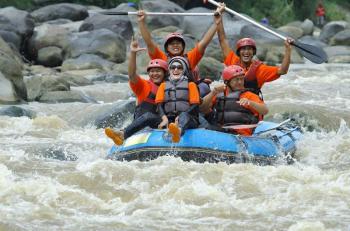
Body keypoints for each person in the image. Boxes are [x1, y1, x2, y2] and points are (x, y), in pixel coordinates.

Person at [217, 7, 293, 98]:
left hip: (250, 105)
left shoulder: (260, 69)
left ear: (253, 52)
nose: (246, 52)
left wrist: (288, 50)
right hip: (232, 104)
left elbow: (282, 70)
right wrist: (219, 19)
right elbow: (222, 40)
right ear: (239, 52)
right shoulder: (232, 60)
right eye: (243, 49)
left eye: (249, 49)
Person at [104, 38, 168, 145]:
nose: (155, 74)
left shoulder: (170, 87)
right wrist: (133, 54)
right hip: (141, 127)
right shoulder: (143, 86)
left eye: (158, 71)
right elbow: (132, 74)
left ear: (165, 74)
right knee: (148, 116)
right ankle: (122, 134)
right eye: (152, 71)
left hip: (160, 124)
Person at [136, 4, 225, 74]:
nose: (175, 45)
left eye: (178, 43)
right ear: (167, 48)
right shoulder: (161, 58)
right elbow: (149, 42)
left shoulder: (190, 58)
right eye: (172, 43)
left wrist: (216, 23)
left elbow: (204, 43)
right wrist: (141, 22)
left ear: (183, 46)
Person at [201, 65, 268, 136]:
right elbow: (202, 108)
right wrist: (213, 92)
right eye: (236, 79)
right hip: (222, 131)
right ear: (227, 82)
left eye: (242, 79)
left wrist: (250, 103)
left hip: (242, 135)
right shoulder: (219, 93)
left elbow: (265, 110)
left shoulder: (248, 95)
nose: (240, 82)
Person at [155, 56, 200, 143]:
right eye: (173, 67)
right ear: (169, 70)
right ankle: (124, 134)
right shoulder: (163, 85)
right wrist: (164, 119)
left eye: (179, 67)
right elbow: (159, 106)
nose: (176, 70)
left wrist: (181, 117)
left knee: (184, 115)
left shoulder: (191, 85)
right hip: (169, 119)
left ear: (184, 70)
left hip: (188, 118)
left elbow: (195, 106)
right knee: (147, 116)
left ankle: (178, 131)